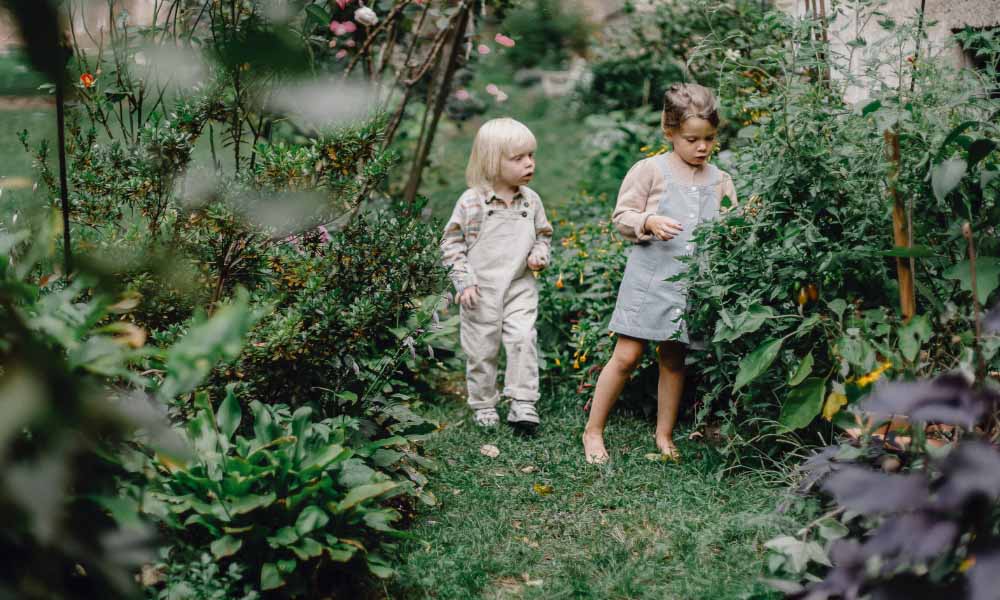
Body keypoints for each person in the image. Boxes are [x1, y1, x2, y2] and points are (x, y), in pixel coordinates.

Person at [582, 83, 737, 464]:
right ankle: (593, 430)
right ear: (669, 133)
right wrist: (648, 220)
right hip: (650, 279)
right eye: (692, 139)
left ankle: (664, 434)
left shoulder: (720, 180)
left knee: (673, 359)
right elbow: (622, 216)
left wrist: (740, 222)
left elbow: (730, 225)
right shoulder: (651, 170)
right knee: (627, 356)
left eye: (709, 139)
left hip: (693, 286)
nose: (702, 147)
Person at [441, 117, 553, 430]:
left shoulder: (530, 202)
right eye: (518, 158)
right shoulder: (472, 203)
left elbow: (544, 234)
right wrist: (463, 281)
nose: (529, 164)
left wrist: (538, 254)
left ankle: (522, 402)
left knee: (522, 339)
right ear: (492, 162)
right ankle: (483, 403)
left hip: (519, 285)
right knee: (481, 349)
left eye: (531, 156)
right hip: (481, 290)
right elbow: (452, 244)